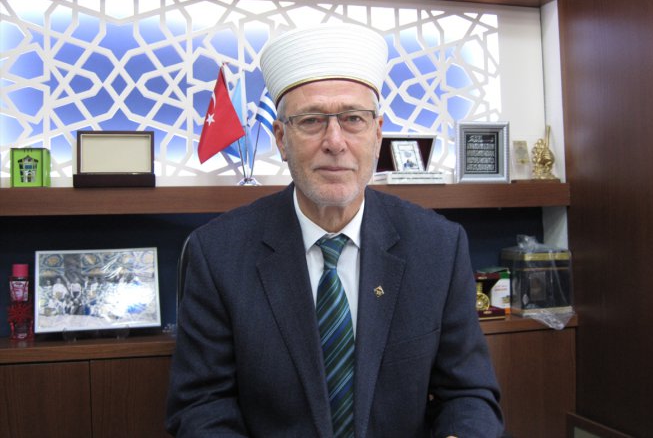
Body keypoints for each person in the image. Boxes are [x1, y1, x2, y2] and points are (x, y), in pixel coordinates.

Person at [166, 23, 504, 437]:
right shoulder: (218, 253)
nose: (335, 141)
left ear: (377, 134)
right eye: (311, 120)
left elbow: (468, 394)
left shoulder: (438, 247)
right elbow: (202, 406)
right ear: (280, 139)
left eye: (353, 119)